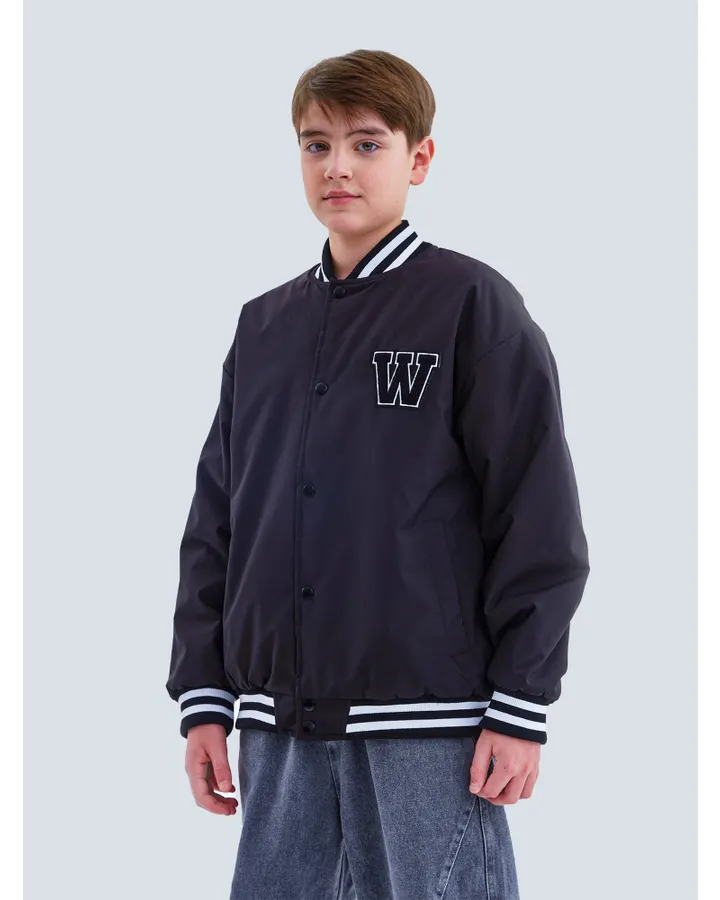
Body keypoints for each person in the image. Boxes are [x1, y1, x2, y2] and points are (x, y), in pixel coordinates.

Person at [165, 48, 590, 900]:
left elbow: (537, 513)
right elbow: (217, 522)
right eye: (316, 145)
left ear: (418, 158)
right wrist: (204, 695)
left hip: (426, 727)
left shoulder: (471, 305)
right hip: (277, 726)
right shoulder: (263, 326)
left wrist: (521, 703)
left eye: (366, 144)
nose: (338, 167)